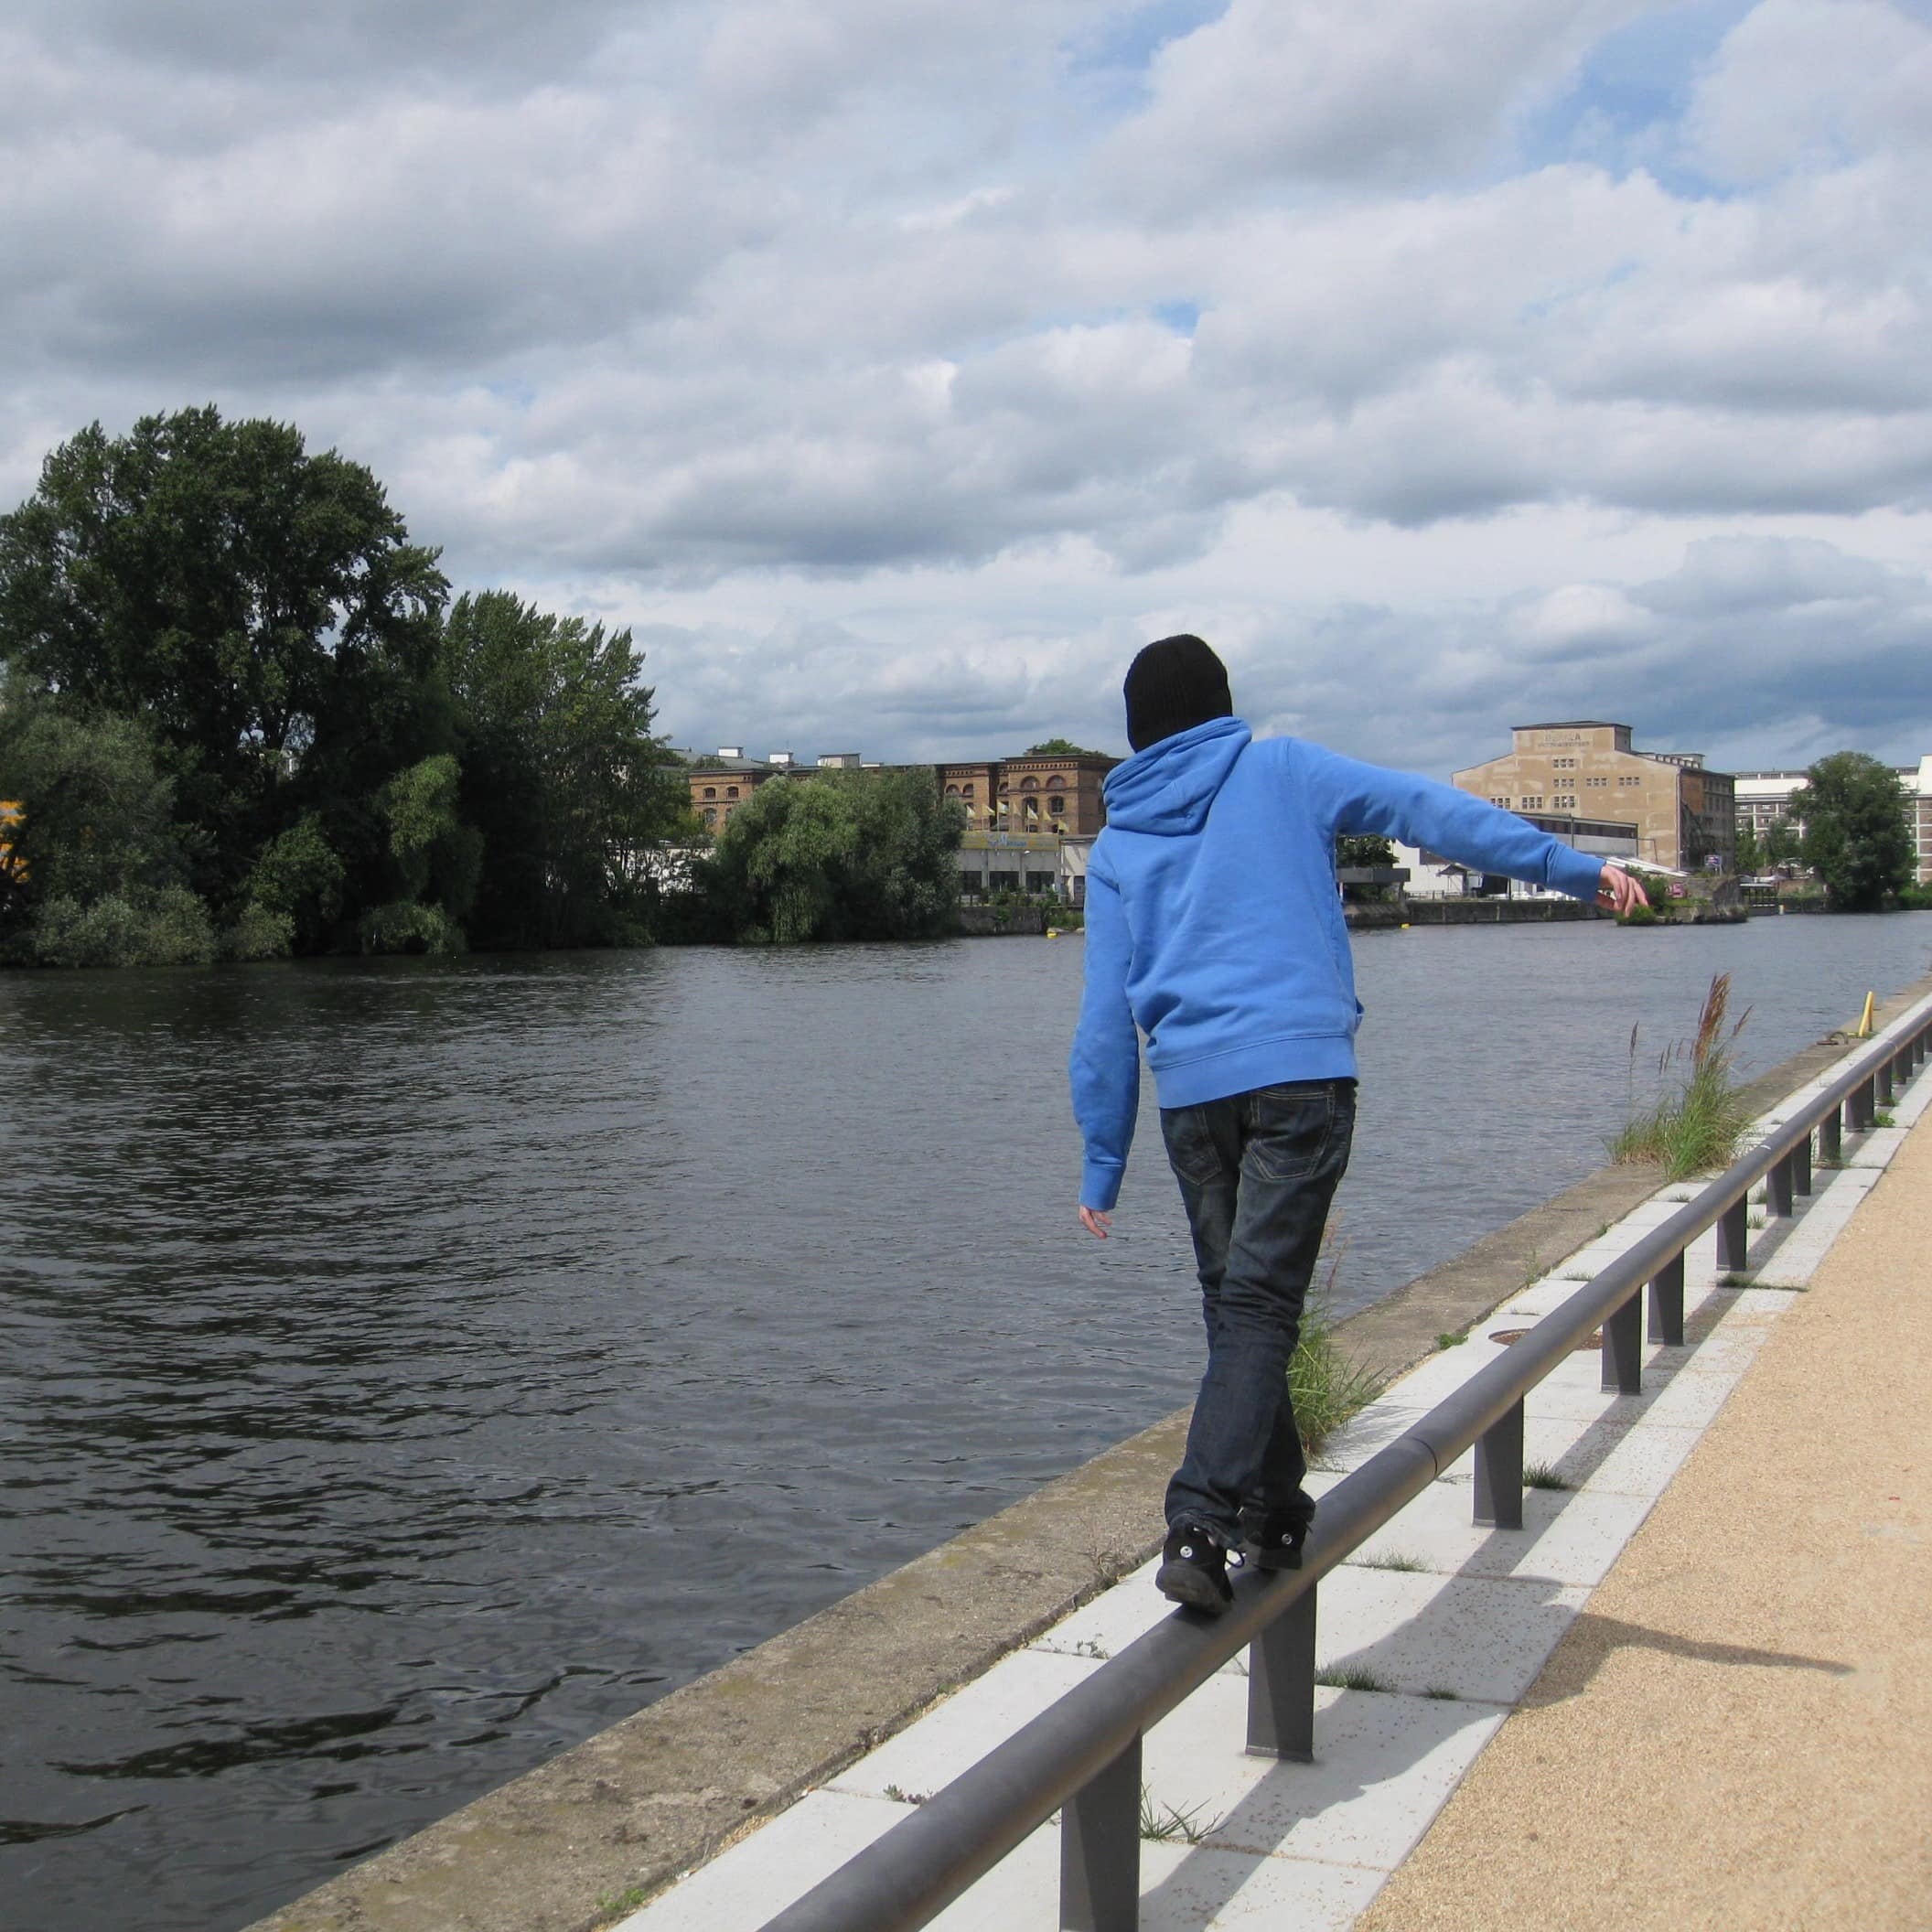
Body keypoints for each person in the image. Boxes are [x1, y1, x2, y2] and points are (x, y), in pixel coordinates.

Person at [1068, 635, 1648, 1613]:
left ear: (1137, 733)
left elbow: (1101, 1015)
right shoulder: (1282, 768)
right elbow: (1430, 811)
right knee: (1255, 1309)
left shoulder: (1121, 841)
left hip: (1192, 1100)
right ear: (1220, 706)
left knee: (1235, 1306)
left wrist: (1101, 1156)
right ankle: (1200, 1518)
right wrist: (1570, 869)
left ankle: (1273, 1507)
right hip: (1298, 1078)